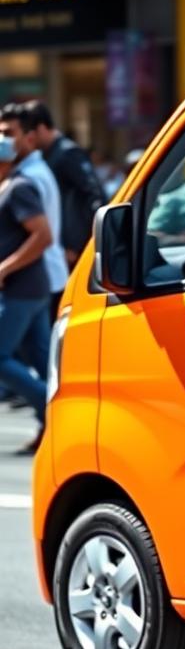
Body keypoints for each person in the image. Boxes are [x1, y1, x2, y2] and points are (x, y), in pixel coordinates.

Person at [0, 119, 54, 454]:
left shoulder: (19, 188)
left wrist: (7, 266)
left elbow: (43, 235)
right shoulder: (8, 187)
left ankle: (51, 414)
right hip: (28, 290)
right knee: (43, 361)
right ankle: (51, 424)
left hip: (22, 289)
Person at [1, 103, 68, 321]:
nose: (3, 141)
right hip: (38, 280)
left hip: (35, 278)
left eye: (9, 133)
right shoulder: (24, 173)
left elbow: (42, 235)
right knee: (41, 354)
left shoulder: (29, 179)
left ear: (29, 137)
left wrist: (4, 268)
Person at [24, 100, 104, 268]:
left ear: (41, 128)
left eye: (30, 133)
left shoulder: (67, 153)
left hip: (72, 250)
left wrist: (77, 244)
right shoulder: (47, 155)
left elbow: (94, 196)